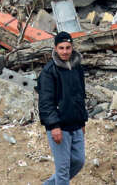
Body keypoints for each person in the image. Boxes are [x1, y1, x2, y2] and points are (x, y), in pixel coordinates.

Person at [38, 31, 87, 185]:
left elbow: (80, 95)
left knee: (79, 161)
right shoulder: (49, 71)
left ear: (72, 47)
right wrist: (53, 126)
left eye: (68, 47)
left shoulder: (77, 67)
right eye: (61, 48)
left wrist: (82, 120)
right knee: (63, 168)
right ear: (55, 48)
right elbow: (46, 102)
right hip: (60, 126)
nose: (65, 51)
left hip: (76, 124)